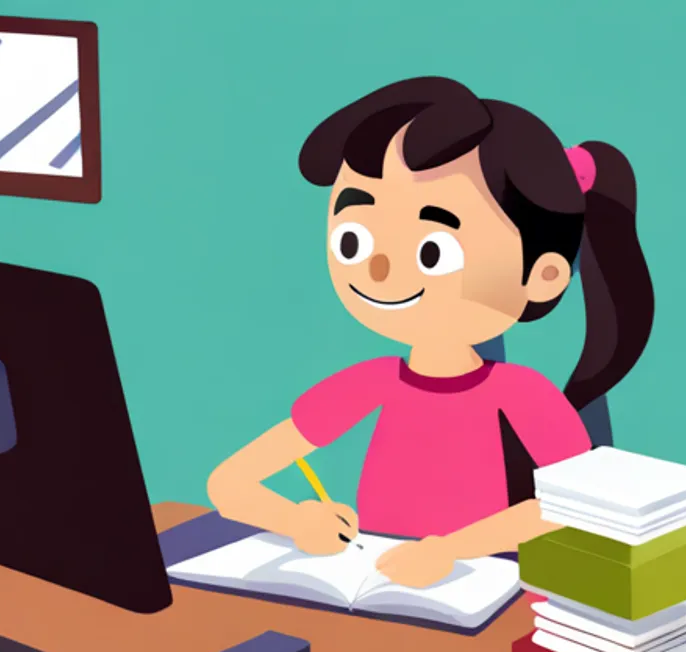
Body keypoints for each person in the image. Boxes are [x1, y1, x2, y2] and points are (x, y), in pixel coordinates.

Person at [208, 77, 654, 589]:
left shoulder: (525, 395)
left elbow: (569, 505)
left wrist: (449, 550)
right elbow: (228, 483)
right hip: (373, 588)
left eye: (431, 251)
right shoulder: (369, 382)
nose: (377, 268)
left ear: (543, 276)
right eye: (353, 240)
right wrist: (295, 520)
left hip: (485, 594)